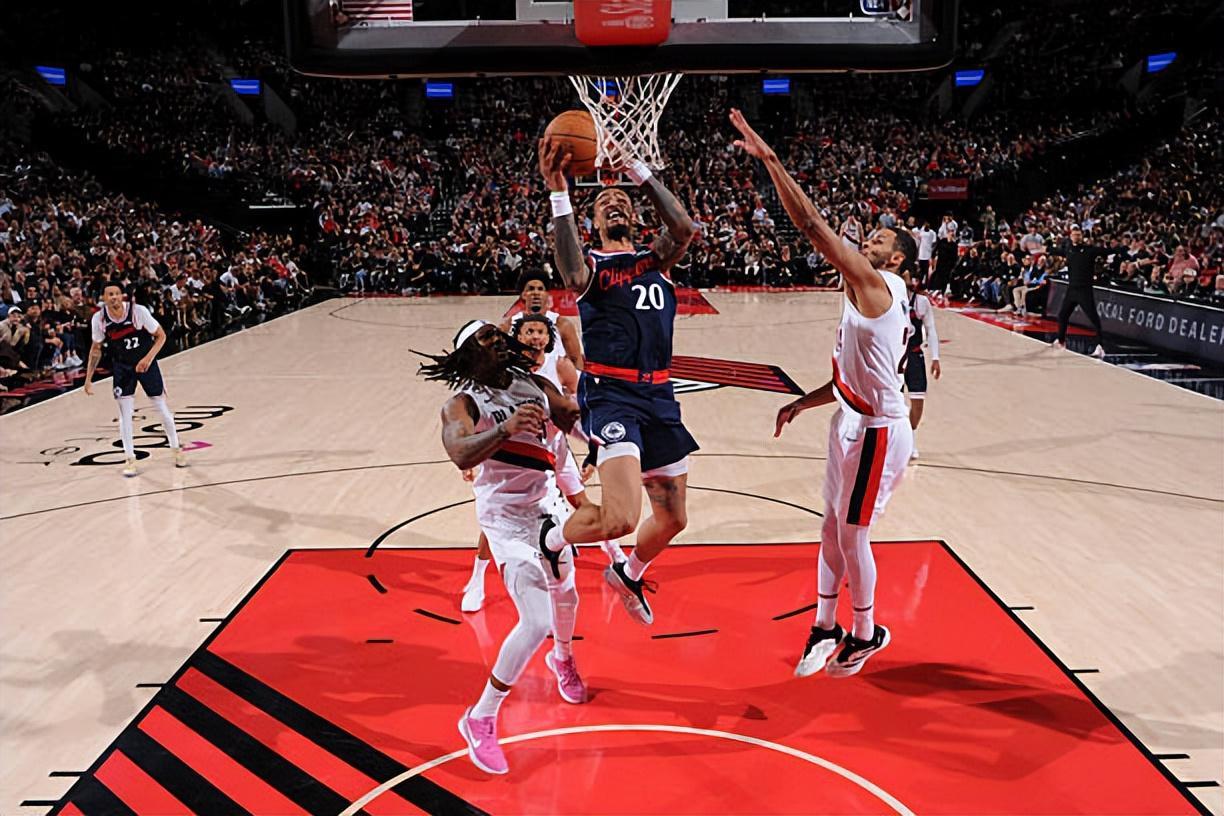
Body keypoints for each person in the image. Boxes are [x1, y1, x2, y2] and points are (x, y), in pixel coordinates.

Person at [731, 108, 915, 678]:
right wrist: (802, 402)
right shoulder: (865, 290)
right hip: (850, 418)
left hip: (879, 430)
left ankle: (866, 631)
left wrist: (770, 160)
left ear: (895, 259)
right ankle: (824, 624)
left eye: (878, 239)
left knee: (853, 532)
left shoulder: (878, 285)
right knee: (830, 528)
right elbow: (851, 378)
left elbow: (811, 226)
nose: (867, 240)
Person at [536, 136, 698, 626]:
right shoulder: (592, 268)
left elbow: (684, 227)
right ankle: (552, 538)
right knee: (622, 518)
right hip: (612, 397)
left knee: (673, 518)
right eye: (604, 202)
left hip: (659, 395)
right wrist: (559, 192)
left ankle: (628, 573)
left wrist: (639, 173)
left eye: (622, 200)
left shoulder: (655, 260)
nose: (614, 203)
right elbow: (569, 270)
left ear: (636, 215)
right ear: (593, 221)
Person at [423, 319, 587, 776]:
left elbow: (572, 418)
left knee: (569, 595)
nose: (498, 339)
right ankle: (481, 717)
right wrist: (505, 429)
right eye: (486, 338)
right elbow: (459, 452)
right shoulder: (462, 403)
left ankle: (563, 659)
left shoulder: (532, 383)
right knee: (535, 621)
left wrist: (612, 417)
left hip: (548, 508)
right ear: (468, 355)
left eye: (497, 334)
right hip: (505, 521)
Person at [460, 313, 624, 613]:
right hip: (515, 456)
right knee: (495, 523)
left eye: (540, 331)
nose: (535, 336)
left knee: (581, 502)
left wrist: (595, 449)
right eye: (529, 331)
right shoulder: (503, 370)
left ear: (549, 337)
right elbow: (472, 416)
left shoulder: (558, 366)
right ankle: (477, 579)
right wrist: (469, 457)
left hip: (556, 449)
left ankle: (615, 554)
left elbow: (585, 406)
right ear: (517, 337)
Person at [83, 282, 187, 477]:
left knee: (161, 408)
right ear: (103, 298)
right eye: (109, 294)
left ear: (122, 295)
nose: (113, 297)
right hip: (123, 367)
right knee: (125, 415)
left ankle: (176, 448)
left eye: (116, 293)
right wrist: (88, 378)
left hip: (145, 363)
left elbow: (161, 336)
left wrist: (147, 359)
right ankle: (130, 458)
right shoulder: (99, 319)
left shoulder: (138, 311)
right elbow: (95, 349)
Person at [499, 268, 584, 370]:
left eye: (540, 289)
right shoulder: (508, 325)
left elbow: (575, 360)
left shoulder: (562, 324)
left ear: (547, 294)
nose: (536, 293)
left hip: (555, 378)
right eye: (531, 289)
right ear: (523, 294)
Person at [1051, 226, 1109, 357]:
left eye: (1078, 235)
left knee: (1093, 318)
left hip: (1084, 290)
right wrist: (1046, 249)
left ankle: (1100, 346)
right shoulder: (1069, 249)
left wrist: (1122, 249)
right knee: (1063, 315)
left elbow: (1105, 251)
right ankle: (1061, 341)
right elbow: (1058, 251)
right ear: (1070, 236)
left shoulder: (1089, 250)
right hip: (1072, 290)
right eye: (1074, 235)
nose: (1076, 237)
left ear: (1082, 236)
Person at [902, 278, 941, 460]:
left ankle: (911, 440)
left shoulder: (921, 301)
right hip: (894, 356)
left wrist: (935, 357)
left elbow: (931, 330)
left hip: (914, 355)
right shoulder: (888, 298)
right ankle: (895, 441)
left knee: (918, 401)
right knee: (892, 402)